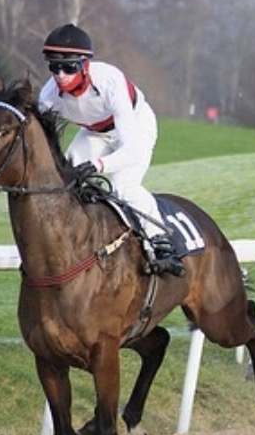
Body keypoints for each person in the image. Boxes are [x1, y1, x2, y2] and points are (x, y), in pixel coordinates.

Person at [37, 23, 184, 277]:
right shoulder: (48, 96)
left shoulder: (109, 81)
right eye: (54, 66)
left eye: (68, 67)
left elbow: (131, 150)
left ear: (85, 65)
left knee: (123, 187)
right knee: (64, 181)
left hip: (135, 127)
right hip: (95, 132)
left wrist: (98, 165)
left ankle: (162, 243)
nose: (60, 75)